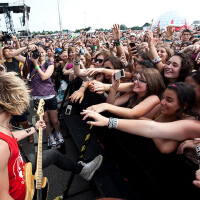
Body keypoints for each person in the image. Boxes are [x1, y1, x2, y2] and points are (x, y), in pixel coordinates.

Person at [0, 71, 103, 200]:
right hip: (21, 194)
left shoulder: (3, 127)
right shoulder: (1, 148)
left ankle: (84, 171)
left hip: (19, 169)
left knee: (53, 154)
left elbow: (10, 136)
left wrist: (33, 128)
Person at [12, 44, 64, 147]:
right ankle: (50, 136)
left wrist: (36, 64)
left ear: (46, 53)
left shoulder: (50, 63)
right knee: (46, 120)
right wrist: (27, 47)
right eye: (38, 52)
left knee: (55, 120)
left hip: (50, 96)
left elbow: (44, 77)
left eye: (42, 52)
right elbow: (14, 54)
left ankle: (58, 133)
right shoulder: (30, 62)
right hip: (37, 98)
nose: (40, 54)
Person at [86, 68, 165, 119]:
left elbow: (133, 113)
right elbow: (110, 104)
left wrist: (106, 106)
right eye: (135, 79)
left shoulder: (154, 98)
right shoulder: (132, 94)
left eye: (140, 80)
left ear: (151, 84)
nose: (135, 82)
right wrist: (114, 87)